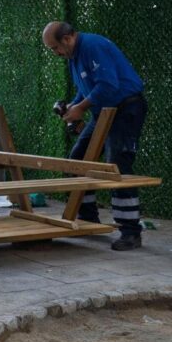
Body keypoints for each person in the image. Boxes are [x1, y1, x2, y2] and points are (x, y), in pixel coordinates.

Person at [42, 21, 148, 251]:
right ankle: (88, 219)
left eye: (55, 47)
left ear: (67, 38)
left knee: (117, 167)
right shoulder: (73, 55)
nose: (55, 53)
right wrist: (73, 105)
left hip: (125, 108)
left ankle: (131, 232)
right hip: (103, 112)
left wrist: (80, 109)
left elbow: (108, 85)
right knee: (77, 160)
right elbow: (86, 89)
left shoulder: (92, 46)